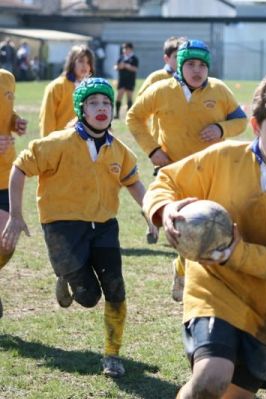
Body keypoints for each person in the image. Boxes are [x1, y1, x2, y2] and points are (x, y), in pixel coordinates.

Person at [143, 73, 266, 398]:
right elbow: (166, 180)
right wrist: (165, 209)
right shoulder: (225, 156)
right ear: (257, 126)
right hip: (211, 288)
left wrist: (236, 251)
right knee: (210, 379)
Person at [1, 77, 158, 376]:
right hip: (62, 228)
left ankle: (112, 355)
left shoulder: (119, 150)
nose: (101, 108)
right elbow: (19, 168)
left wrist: (152, 211)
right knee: (88, 298)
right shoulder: (57, 143)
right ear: (81, 109)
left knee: (115, 289)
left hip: (104, 226)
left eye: (106, 103)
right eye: (93, 103)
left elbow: (134, 183)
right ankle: (65, 276)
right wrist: (16, 215)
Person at [127, 39, 247, 302]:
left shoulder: (219, 90)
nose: (197, 70)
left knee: (213, 227)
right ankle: (185, 270)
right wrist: (152, 150)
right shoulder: (161, 90)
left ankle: (194, 275)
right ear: (180, 66)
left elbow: (241, 120)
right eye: (190, 64)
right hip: (175, 174)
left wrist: (221, 129)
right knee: (186, 228)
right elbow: (133, 118)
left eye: (202, 65)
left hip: (213, 172)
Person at [0, 68, 28, 318]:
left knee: (5, 243)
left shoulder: (7, 77)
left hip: (4, 174)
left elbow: (5, 115)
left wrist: (15, 121)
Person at [39, 44, 94, 137]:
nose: (85, 65)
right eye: (81, 61)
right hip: (61, 141)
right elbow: (47, 120)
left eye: (88, 62)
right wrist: (47, 144)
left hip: (83, 143)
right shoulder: (57, 87)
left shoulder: (91, 87)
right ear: (72, 62)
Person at [136, 36, 186, 140]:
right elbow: (140, 104)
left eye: (184, 56)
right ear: (166, 59)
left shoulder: (191, 79)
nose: (181, 60)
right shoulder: (157, 77)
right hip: (161, 139)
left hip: (185, 138)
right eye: (176, 56)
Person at [114, 42, 138, 119]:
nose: (124, 50)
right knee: (119, 96)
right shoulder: (121, 58)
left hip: (130, 80)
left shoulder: (134, 58)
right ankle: (117, 114)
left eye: (126, 49)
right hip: (121, 80)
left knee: (129, 97)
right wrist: (118, 67)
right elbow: (115, 66)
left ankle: (129, 114)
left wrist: (127, 66)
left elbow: (135, 69)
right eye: (124, 49)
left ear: (130, 49)